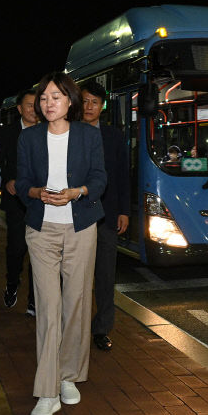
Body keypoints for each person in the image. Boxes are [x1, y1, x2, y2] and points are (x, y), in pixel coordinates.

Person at [16, 72, 106, 415]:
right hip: (42, 230)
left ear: (70, 101)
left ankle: (69, 376)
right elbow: (22, 181)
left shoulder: (87, 135)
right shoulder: (30, 139)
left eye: (55, 97)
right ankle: (47, 390)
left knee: (77, 303)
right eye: (43, 98)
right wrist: (37, 193)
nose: (48, 103)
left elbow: (100, 177)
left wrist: (78, 191)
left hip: (81, 226)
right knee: (49, 307)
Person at [81, 81, 130, 351]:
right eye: (85, 101)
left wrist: (124, 210)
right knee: (74, 277)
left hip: (107, 216)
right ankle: (73, 327)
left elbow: (123, 175)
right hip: (74, 216)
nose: (89, 107)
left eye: (95, 103)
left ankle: (101, 329)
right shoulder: (68, 133)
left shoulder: (114, 137)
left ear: (102, 107)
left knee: (104, 276)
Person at [0, 88, 38, 315]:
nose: (34, 109)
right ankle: (12, 283)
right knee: (17, 248)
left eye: (37, 104)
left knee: (39, 251)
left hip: (41, 201)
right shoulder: (8, 133)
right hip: (16, 201)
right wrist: (7, 181)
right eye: (29, 105)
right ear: (20, 109)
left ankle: (34, 299)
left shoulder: (48, 131)